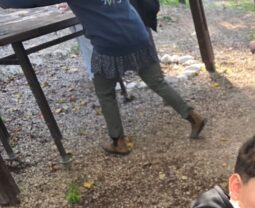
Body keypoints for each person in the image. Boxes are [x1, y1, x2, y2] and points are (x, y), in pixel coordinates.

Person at [0, 0, 206, 155]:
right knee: (157, 83)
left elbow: (31, 1)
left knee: (105, 93)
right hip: (138, 34)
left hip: (110, 43)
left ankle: (118, 142)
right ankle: (193, 117)